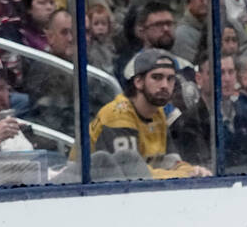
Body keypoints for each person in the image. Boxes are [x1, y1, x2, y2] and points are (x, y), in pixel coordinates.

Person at [84, 49, 211, 179]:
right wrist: (183, 175)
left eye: (170, 79)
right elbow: (133, 175)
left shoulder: (158, 114)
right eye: (157, 77)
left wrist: (193, 171)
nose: (164, 85)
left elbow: (172, 162)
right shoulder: (117, 116)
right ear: (138, 81)